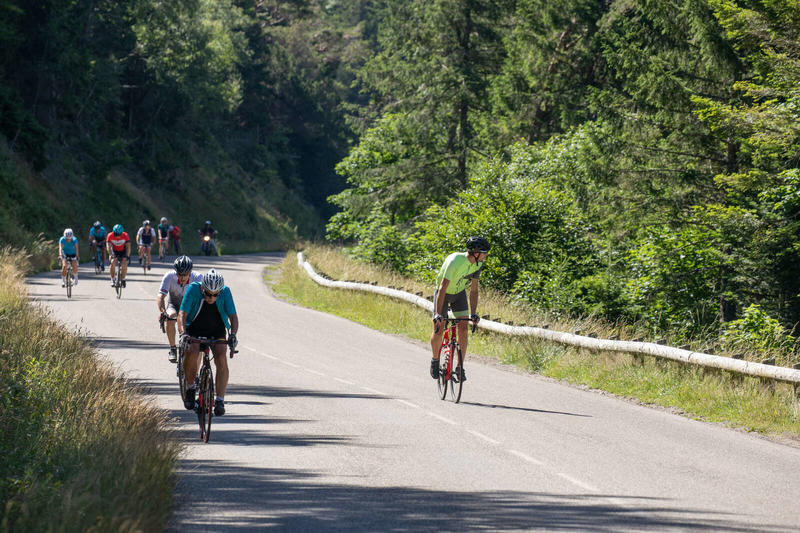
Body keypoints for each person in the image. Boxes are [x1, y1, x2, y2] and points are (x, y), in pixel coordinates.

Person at [429, 236, 490, 381]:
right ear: (476, 253)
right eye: (484, 253)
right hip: (443, 294)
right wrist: (438, 314)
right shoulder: (455, 261)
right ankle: (435, 360)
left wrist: (473, 313)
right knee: (439, 327)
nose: (486, 256)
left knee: (463, 326)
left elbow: (474, 290)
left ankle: (459, 366)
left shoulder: (478, 265)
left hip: (459, 294)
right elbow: (443, 288)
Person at [178, 269, 238, 416]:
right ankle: (191, 388)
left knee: (221, 356)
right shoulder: (193, 289)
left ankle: (219, 400)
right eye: (208, 294)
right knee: (192, 351)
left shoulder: (225, 291)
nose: (211, 298)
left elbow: (233, 317)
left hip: (216, 329)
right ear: (203, 288)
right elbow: (182, 314)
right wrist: (183, 333)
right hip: (195, 328)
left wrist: (233, 335)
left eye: (215, 294)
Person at [157, 255, 202, 363]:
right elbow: (160, 296)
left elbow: (204, 298)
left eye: (185, 275)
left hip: (190, 308)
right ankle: (173, 348)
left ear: (190, 272)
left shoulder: (198, 277)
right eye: (179, 274)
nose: (182, 278)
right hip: (174, 304)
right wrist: (163, 311)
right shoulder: (169, 276)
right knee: (170, 316)